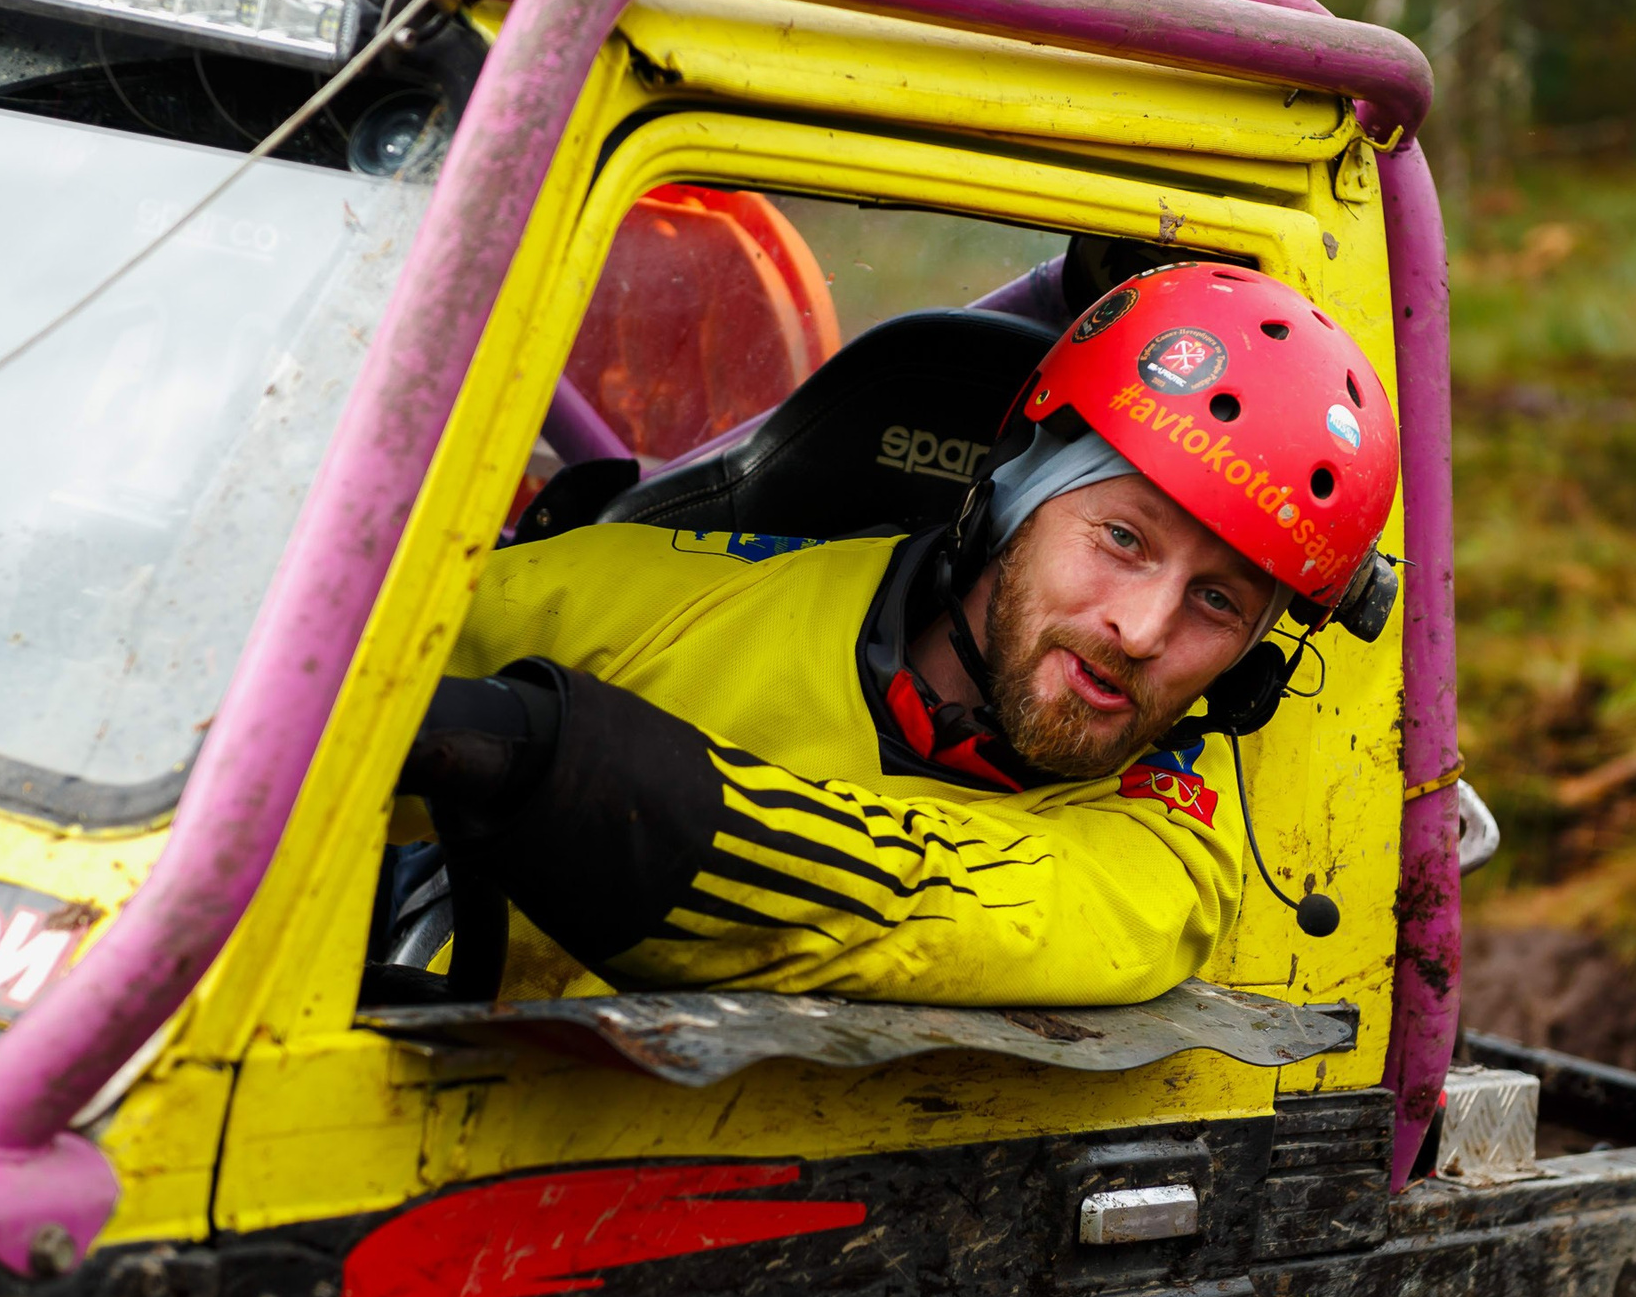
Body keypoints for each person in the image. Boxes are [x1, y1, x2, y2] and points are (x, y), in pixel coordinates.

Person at [390, 263, 1400, 1007]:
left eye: (1217, 603)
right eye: (1122, 537)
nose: (1140, 630)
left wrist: (551, 759)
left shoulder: (1166, 858)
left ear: (1253, 663)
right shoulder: (641, 594)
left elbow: (910, 901)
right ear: (1013, 494)